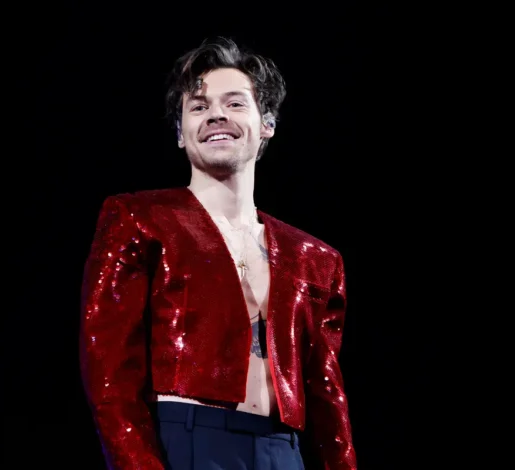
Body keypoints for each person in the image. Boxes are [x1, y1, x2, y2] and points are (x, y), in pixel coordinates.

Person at [80, 37, 357, 470]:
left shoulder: (315, 258)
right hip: (188, 441)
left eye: (234, 103)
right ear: (180, 132)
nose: (215, 115)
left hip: (283, 450)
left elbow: (326, 393)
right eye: (198, 106)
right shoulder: (139, 219)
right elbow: (110, 374)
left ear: (267, 124)